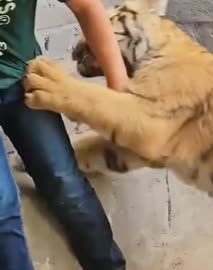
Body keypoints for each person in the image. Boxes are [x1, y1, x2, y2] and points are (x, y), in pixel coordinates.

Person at [0, 0, 129, 269]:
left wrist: (118, 93)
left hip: (18, 78)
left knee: (66, 184)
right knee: (2, 205)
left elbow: (87, 7)